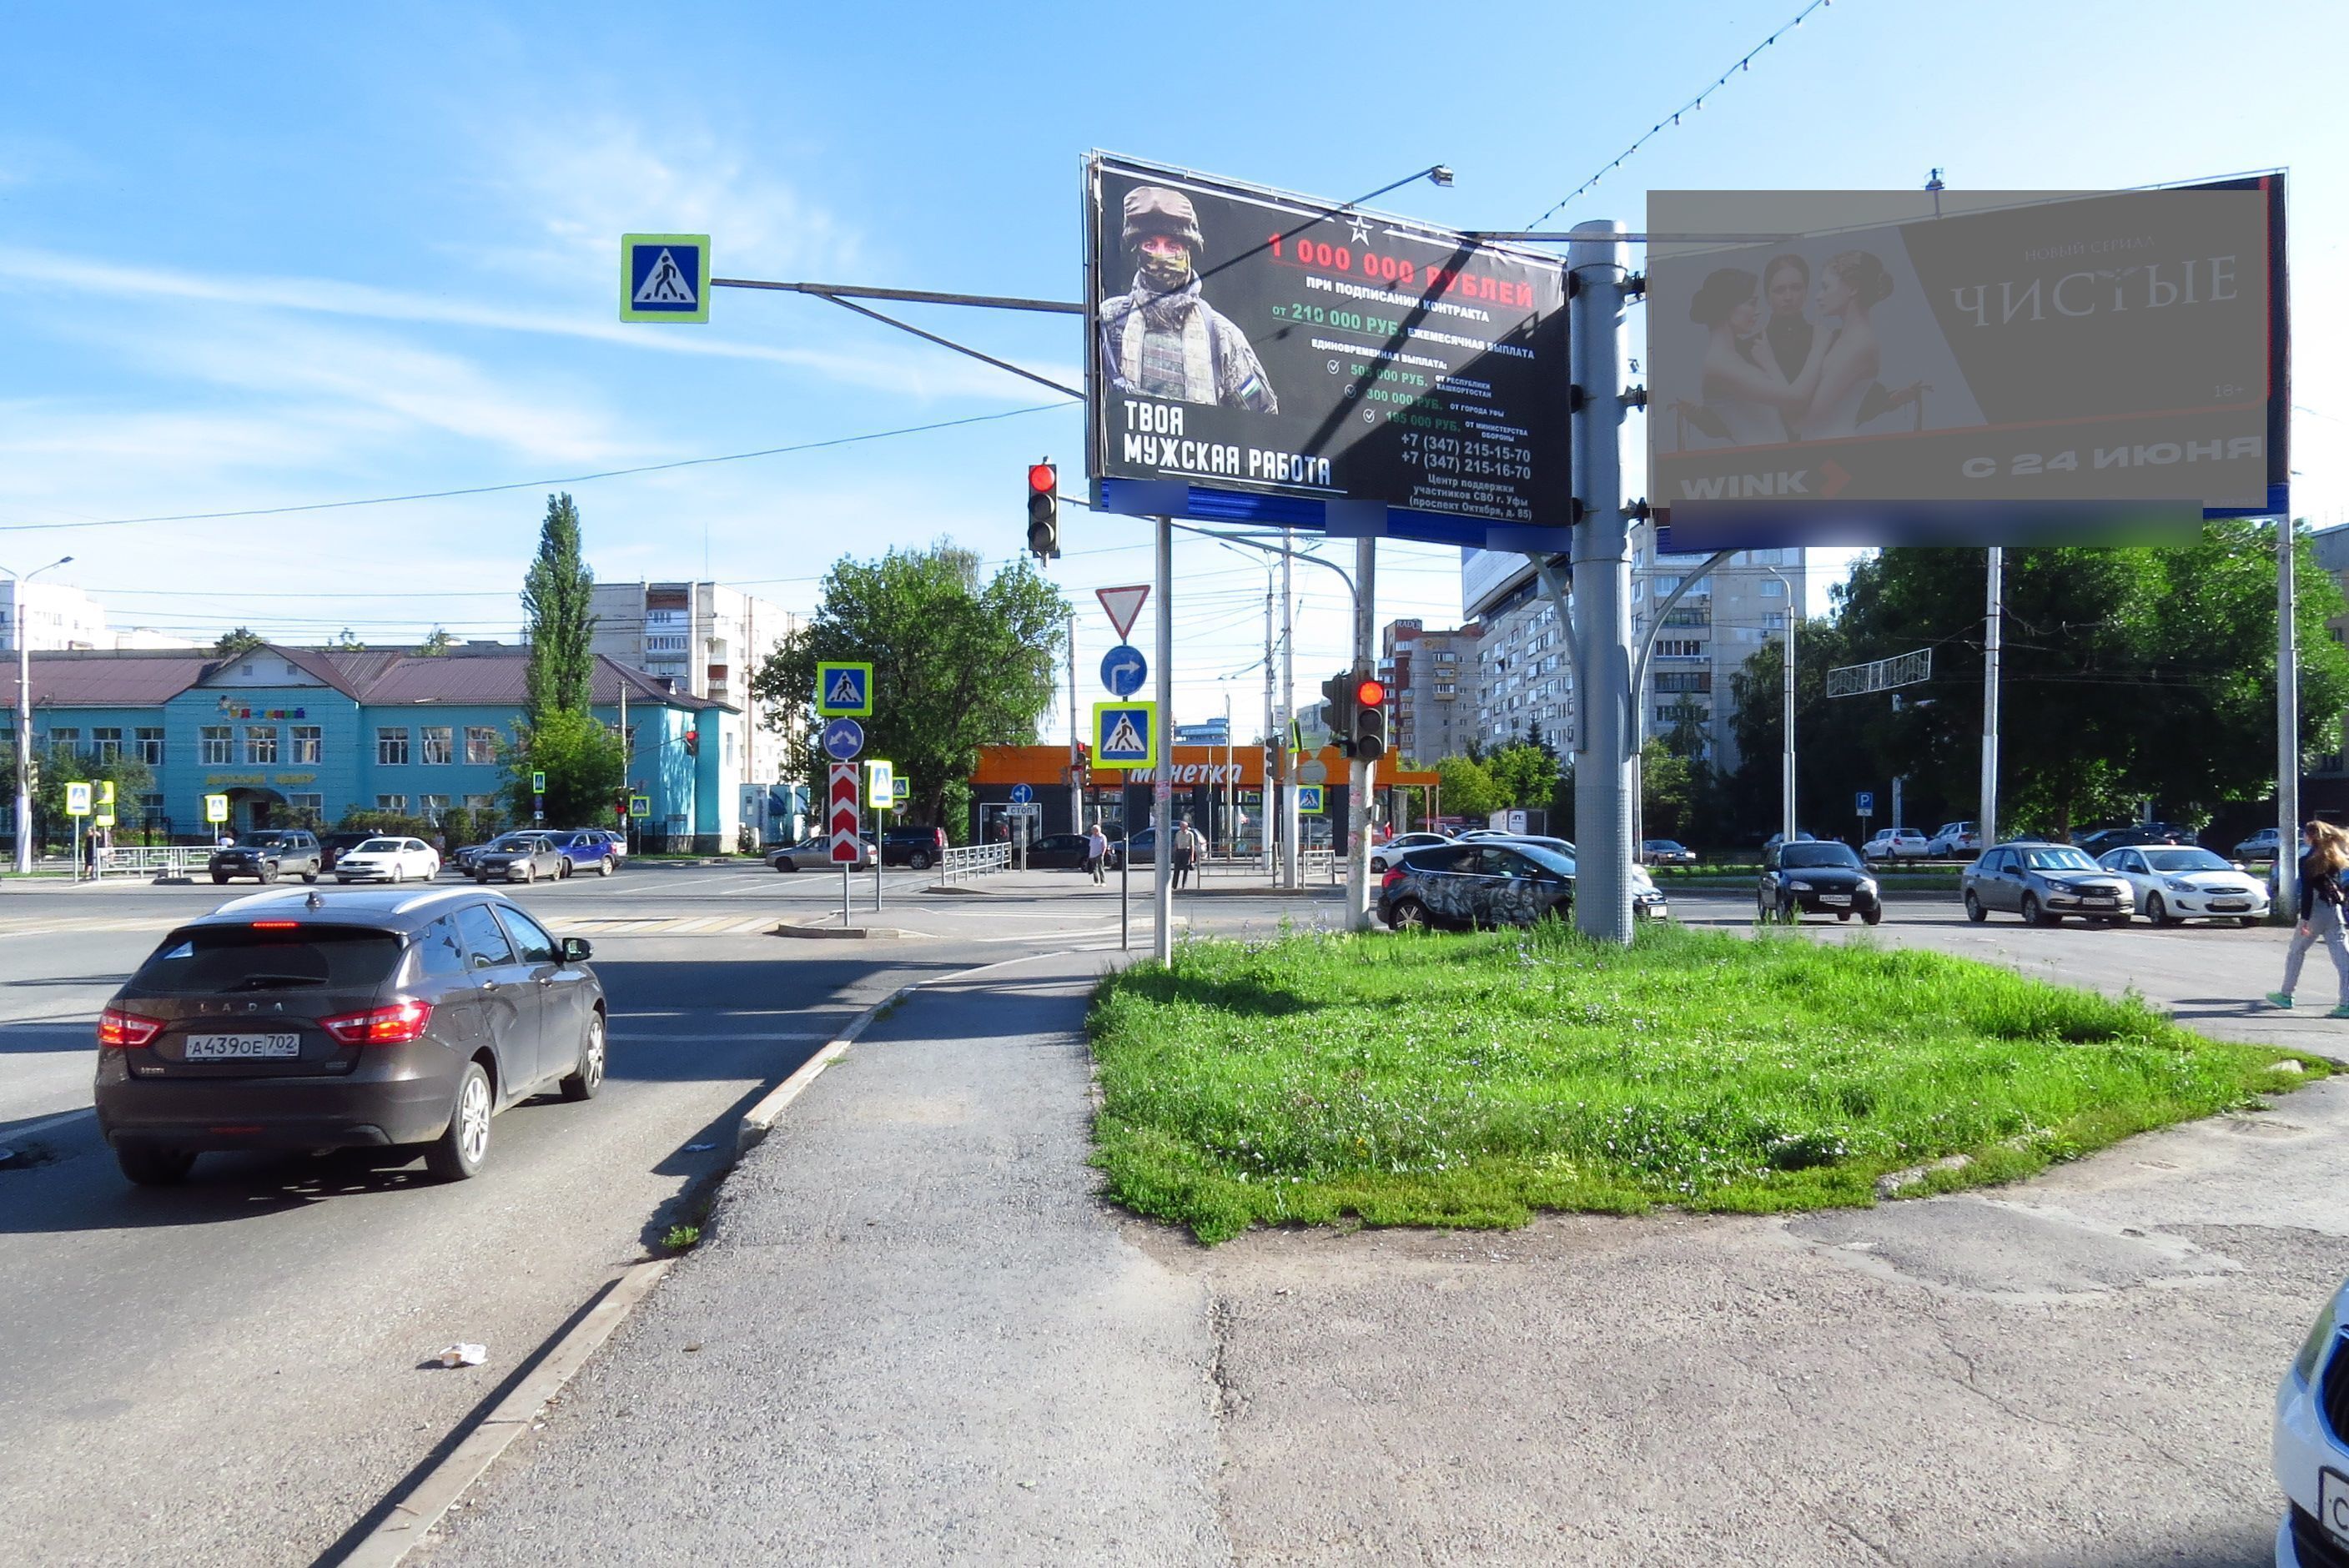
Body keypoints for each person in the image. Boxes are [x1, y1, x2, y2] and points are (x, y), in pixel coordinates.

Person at [1098, 186, 1277, 412]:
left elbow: (1262, 418)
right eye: (1150, 245)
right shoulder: (1112, 319)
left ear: (1188, 250)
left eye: (1173, 246)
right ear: (1137, 249)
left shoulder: (1222, 334)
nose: (1161, 255)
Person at [2270, 821, 2349, 1017]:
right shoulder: (2335, 858)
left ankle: (2287, 995)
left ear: (2310, 837)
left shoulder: (2307, 860)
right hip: (2335, 911)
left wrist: (2304, 919)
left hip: (2315, 911)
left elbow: (2307, 892)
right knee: (2343, 959)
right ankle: (2346, 1003)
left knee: (2296, 951)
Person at [1173, 817, 1198, 890]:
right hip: (1179, 852)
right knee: (1176, 869)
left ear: (1186, 827)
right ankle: (1174, 885)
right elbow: (1176, 844)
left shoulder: (1190, 834)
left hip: (1186, 852)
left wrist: (1192, 856)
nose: (1181, 827)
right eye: (1180, 826)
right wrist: (1175, 852)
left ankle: (1184, 885)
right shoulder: (1178, 833)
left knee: (1185, 869)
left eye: (1182, 826)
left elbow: (1192, 846)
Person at [1085, 820, 1109, 884]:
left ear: (1097, 831)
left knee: (1101, 868)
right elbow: (1091, 846)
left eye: (1093, 830)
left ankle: (1103, 882)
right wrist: (1090, 855)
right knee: (1094, 869)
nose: (1092, 832)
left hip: (1099, 854)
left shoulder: (1102, 837)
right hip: (1092, 855)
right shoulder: (1092, 837)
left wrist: (1103, 854)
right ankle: (1096, 881)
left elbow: (1104, 846)